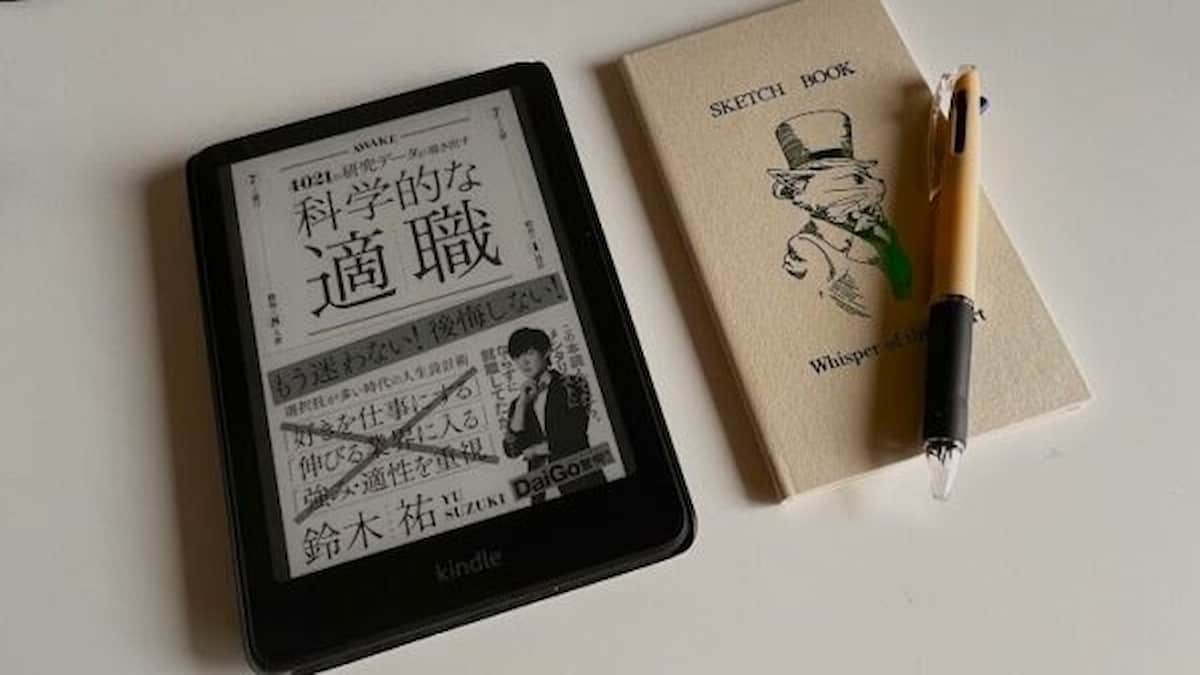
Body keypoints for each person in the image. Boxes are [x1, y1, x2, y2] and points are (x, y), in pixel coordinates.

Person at [502, 327, 605, 503]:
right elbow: (512, 450)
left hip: (581, 480)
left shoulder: (573, 384)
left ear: (546, 351)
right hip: (541, 492)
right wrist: (521, 404)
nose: (523, 362)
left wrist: (536, 450)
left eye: (529, 353)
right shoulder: (519, 403)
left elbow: (575, 434)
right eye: (517, 357)